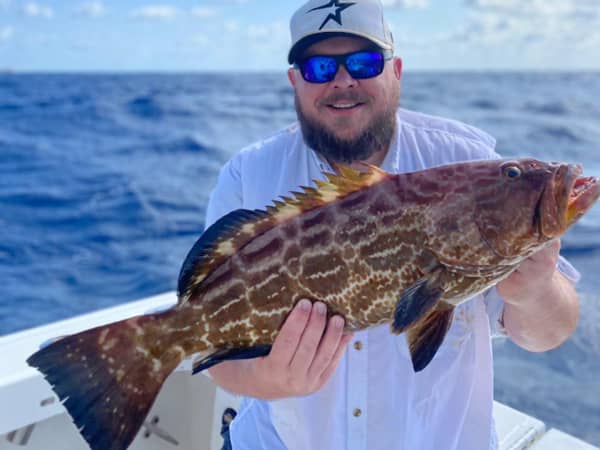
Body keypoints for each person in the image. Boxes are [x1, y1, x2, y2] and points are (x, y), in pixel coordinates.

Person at [203, 0, 581, 449]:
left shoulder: (465, 161)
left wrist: (536, 291)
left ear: (396, 69)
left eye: (363, 62)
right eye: (319, 67)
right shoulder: (249, 175)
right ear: (294, 81)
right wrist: (267, 378)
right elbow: (208, 339)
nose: (343, 81)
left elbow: (549, 332)